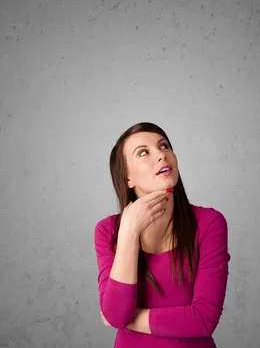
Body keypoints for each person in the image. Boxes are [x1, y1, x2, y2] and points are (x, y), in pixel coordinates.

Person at [94, 122, 230, 348]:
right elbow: (116, 315)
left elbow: (204, 319)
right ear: (128, 178)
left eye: (164, 146)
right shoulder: (108, 231)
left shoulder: (209, 223)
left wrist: (130, 319)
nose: (161, 155)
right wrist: (129, 233)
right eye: (144, 152)